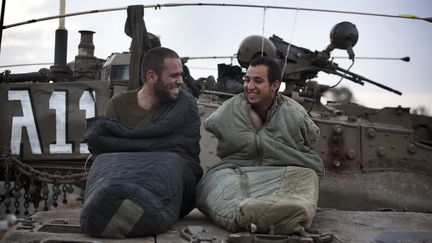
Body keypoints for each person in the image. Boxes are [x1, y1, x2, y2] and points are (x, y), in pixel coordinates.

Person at [80, 47, 203, 238]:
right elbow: (111, 153)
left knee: (169, 163)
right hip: (124, 178)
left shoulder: (183, 106)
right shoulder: (119, 104)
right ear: (151, 76)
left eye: (181, 75)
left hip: (169, 178)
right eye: (174, 76)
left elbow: (180, 150)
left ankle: (141, 209)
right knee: (104, 163)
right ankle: (121, 205)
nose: (180, 81)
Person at [196, 56, 325, 236]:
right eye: (247, 80)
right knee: (211, 187)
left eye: (258, 81)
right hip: (234, 170)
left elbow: (311, 137)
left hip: (282, 171)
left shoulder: (293, 113)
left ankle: (277, 211)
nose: (249, 86)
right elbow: (211, 124)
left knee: (307, 178)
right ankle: (247, 214)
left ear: (274, 86)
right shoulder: (229, 109)